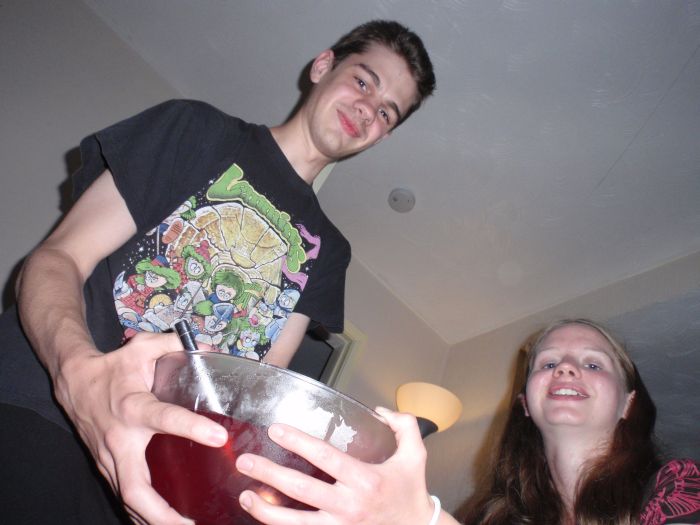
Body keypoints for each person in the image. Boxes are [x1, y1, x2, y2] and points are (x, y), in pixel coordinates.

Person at [0, 19, 435, 525]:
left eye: (386, 112)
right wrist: (77, 378)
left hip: (154, 481)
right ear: (323, 66)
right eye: (363, 81)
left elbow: (255, 390)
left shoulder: (331, 252)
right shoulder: (197, 130)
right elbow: (57, 259)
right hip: (38, 409)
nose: (367, 109)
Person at [235, 318, 700, 525]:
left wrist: (422, 520)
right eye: (548, 363)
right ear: (525, 403)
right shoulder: (493, 515)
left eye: (593, 363)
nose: (566, 369)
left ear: (628, 403)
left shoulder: (679, 488)